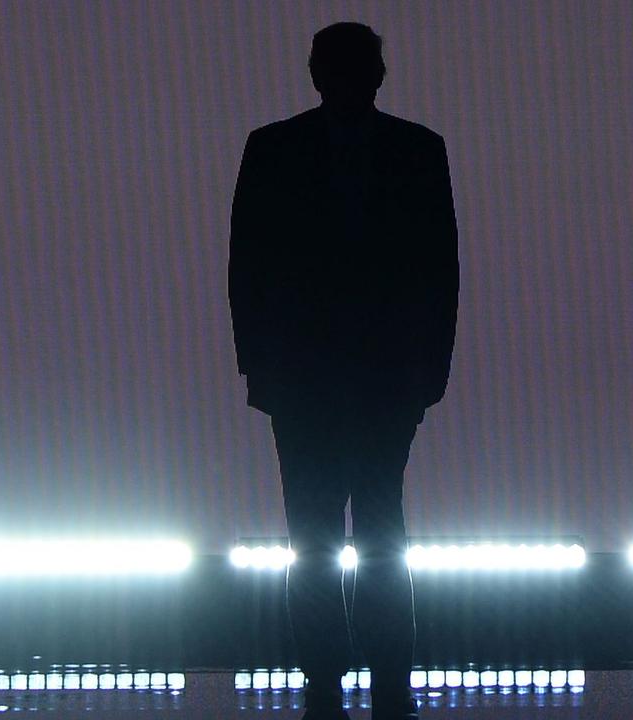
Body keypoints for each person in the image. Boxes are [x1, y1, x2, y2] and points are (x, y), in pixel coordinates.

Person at [227, 21, 459, 720]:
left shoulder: (273, 150)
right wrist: (430, 370)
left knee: (317, 535)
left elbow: (249, 269)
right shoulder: (418, 151)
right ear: (380, 73)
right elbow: (438, 270)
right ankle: (386, 679)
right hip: (377, 379)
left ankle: (326, 682)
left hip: (310, 381)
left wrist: (259, 369)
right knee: (378, 529)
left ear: (315, 72)